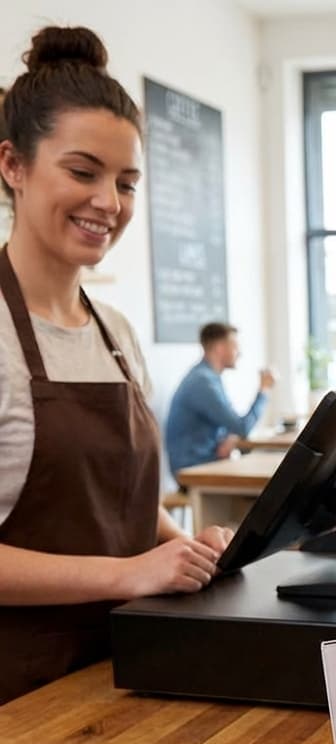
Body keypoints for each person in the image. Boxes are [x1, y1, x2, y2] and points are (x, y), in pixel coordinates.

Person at [0, 26, 232, 704]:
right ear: (12, 164)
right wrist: (129, 576)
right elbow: (121, 561)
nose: (109, 202)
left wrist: (186, 549)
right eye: (83, 172)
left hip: (126, 679)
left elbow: (121, 508)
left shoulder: (117, 334)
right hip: (19, 700)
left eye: (127, 182)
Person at [165, 321, 275, 475]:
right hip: (193, 469)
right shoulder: (203, 382)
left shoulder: (206, 377)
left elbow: (230, 427)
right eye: (235, 346)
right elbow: (242, 427)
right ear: (220, 348)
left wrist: (231, 437)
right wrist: (264, 390)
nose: (240, 352)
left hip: (204, 461)